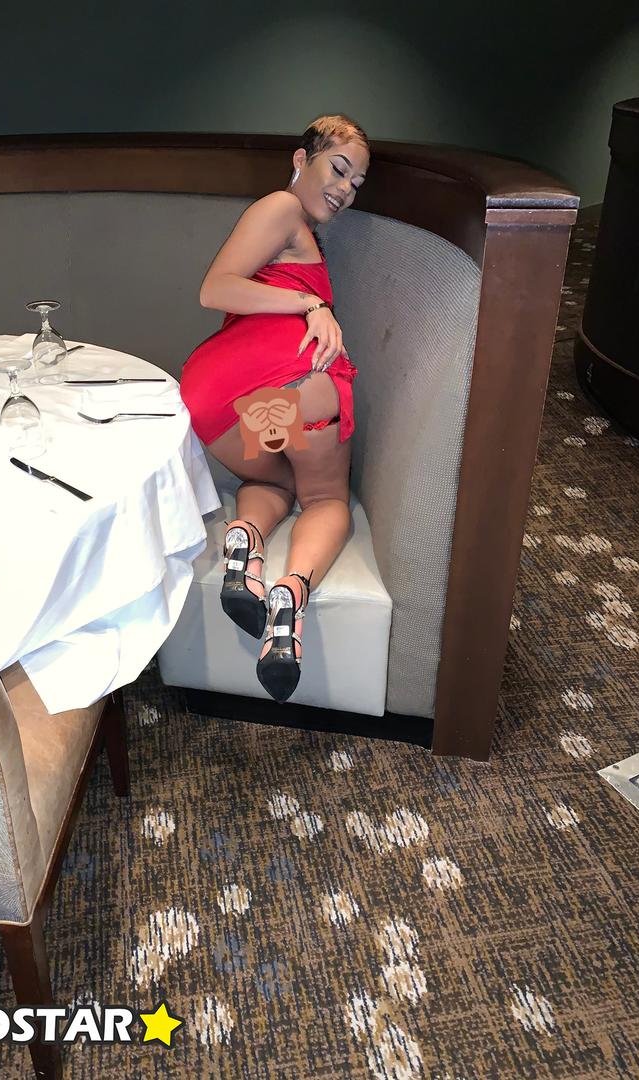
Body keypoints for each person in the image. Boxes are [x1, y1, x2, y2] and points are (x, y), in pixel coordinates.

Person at [180, 114, 371, 703]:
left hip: (230, 395)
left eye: (357, 183)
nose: (345, 189)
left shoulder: (296, 224)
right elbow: (214, 288)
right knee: (326, 500)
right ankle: (292, 592)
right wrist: (310, 303)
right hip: (296, 379)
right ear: (300, 159)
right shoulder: (281, 207)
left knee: (278, 481)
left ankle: (247, 542)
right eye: (338, 169)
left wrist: (305, 301)